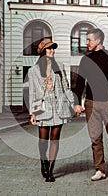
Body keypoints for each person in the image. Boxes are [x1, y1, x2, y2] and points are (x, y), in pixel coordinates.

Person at [74, 28, 108, 181]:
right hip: (91, 104)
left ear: (98, 40)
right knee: (95, 138)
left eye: (89, 40)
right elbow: (79, 84)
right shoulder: (85, 59)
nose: (87, 43)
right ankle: (100, 169)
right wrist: (77, 103)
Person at [28, 39, 74, 182]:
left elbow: (66, 88)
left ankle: (51, 170)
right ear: (43, 51)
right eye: (49, 49)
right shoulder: (33, 71)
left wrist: (73, 104)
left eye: (53, 49)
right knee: (43, 140)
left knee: (55, 140)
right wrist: (32, 113)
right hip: (43, 109)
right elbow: (32, 92)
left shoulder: (59, 67)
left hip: (59, 108)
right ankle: (44, 161)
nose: (52, 51)